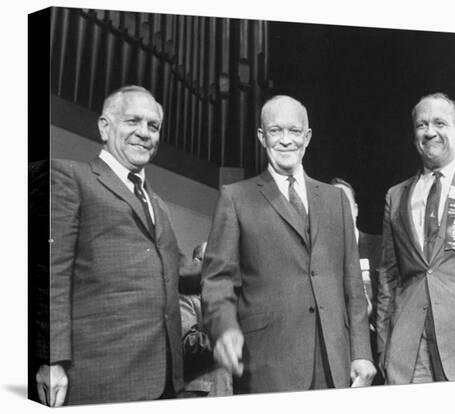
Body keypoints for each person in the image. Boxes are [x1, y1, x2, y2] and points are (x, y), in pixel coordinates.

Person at [201, 95, 376, 394]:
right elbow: (218, 279)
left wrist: (361, 351)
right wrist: (225, 328)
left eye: (294, 131)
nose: (285, 140)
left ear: (307, 137)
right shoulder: (236, 197)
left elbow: (353, 287)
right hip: (266, 364)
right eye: (275, 131)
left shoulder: (336, 201)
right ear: (261, 136)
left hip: (334, 363)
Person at [36, 85, 195, 406]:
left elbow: (180, 272)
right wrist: (51, 359)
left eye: (153, 126)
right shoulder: (69, 176)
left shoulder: (158, 203)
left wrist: (245, 261)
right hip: (99, 378)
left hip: (165, 381)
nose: (144, 133)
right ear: (105, 127)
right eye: (132, 121)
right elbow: (51, 273)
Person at [376, 92, 455, 384]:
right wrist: (385, 345)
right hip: (409, 350)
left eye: (439, 123)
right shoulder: (395, 196)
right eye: (421, 125)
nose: (430, 131)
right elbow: (387, 279)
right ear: (413, 135)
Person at [330, 178, 383, 384]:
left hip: (375, 350)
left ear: (356, 209)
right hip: (337, 352)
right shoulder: (319, 257)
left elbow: (395, 297)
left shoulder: (379, 247)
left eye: (345, 202)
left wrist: (370, 311)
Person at [178, 242, 233, 397]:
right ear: (197, 263)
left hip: (229, 390)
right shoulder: (186, 297)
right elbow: (187, 343)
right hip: (202, 393)